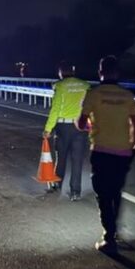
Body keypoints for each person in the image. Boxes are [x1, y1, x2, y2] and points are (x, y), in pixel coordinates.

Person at [78, 56, 135, 254]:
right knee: (115, 191)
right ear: (118, 72)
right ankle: (114, 230)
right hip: (123, 151)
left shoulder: (93, 94)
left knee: (103, 194)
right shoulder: (128, 96)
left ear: (100, 73)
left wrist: (90, 125)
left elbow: (81, 123)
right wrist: (132, 144)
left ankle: (109, 237)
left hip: (101, 150)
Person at [43, 61, 91, 201]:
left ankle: (57, 185)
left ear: (60, 73)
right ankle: (75, 192)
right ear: (73, 71)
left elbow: (55, 110)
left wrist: (48, 129)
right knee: (77, 161)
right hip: (81, 127)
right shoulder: (85, 85)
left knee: (61, 158)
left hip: (63, 127)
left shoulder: (60, 86)